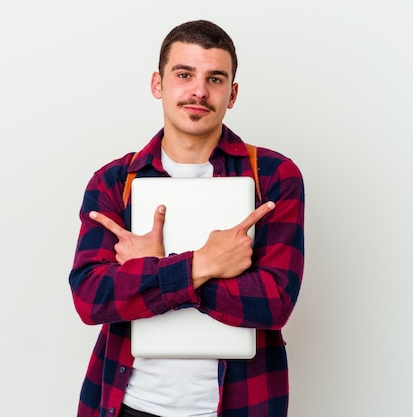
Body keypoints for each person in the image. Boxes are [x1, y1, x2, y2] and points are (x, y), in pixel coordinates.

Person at [69, 20, 305, 417]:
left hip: (238, 405)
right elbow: (90, 299)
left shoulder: (274, 176)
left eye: (215, 79)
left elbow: (274, 302)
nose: (199, 90)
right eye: (184, 74)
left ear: (231, 94)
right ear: (158, 84)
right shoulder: (113, 181)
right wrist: (205, 264)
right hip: (127, 403)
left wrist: (153, 271)